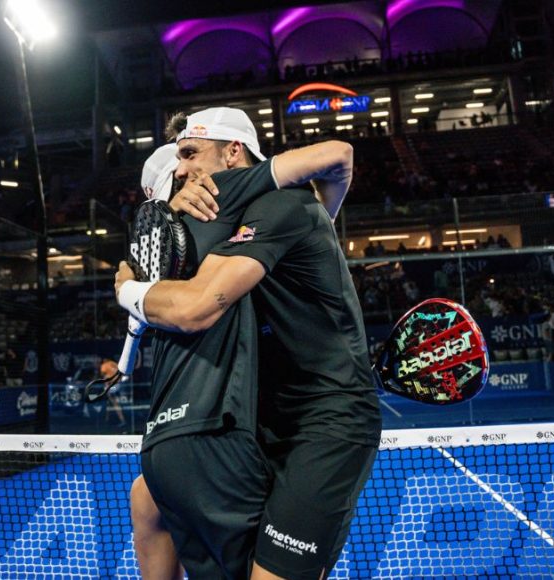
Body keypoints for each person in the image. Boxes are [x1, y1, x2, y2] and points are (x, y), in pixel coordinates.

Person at [117, 107, 377, 580]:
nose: (181, 169)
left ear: (234, 152)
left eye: (190, 154)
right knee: (145, 497)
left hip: (325, 421)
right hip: (264, 417)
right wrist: (166, 217)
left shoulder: (284, 204)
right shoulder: (227, 226)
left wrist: (126, 289)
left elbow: (195, 307)